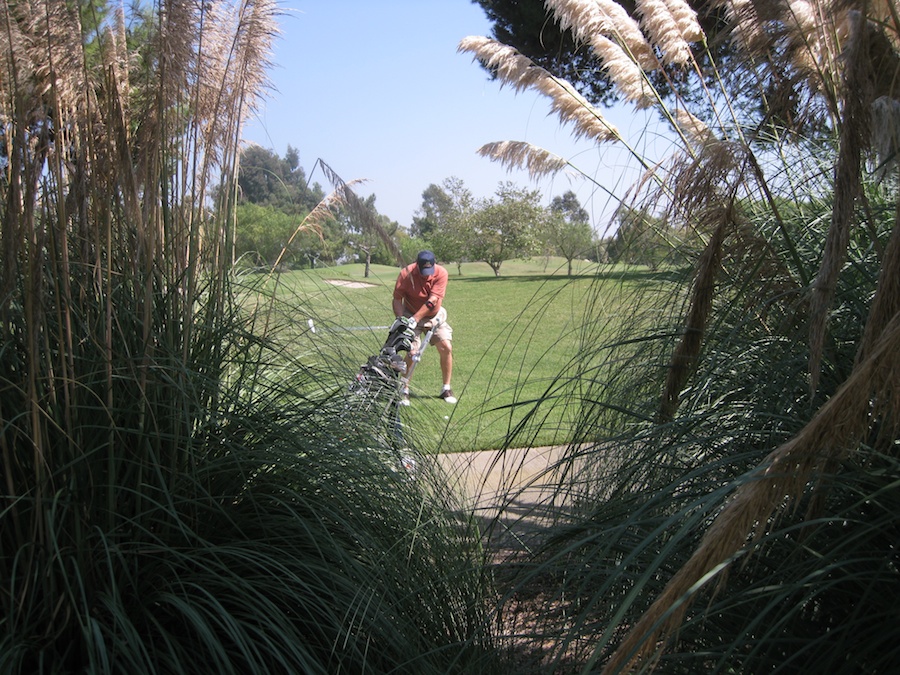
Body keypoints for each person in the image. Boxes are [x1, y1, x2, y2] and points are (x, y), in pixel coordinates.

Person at [392, 250, 456, 404]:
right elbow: (396, 299)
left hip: (434, 316)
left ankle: (446, 388)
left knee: (446, 347)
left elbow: (432, 300)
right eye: (424, 271)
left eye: (430, 270)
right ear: (417, 266)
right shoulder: (406, 274)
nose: (427, 274)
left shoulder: (441, 273)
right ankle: (404, 389)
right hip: (409, 313)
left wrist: (416, 318)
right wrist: (402, 320)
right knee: (412, 352)